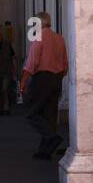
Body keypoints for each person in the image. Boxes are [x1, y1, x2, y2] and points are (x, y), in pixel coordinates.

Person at [20, 11, 69, 160]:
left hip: (42, 79)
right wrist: (58, 77)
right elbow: (65, 64)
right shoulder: (60, 39)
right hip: (56, 79)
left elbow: (31, 63)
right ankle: (45, 151)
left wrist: (23, 83)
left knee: (31, 112)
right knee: (49, 115)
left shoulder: (39, 38)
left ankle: (52, 137)